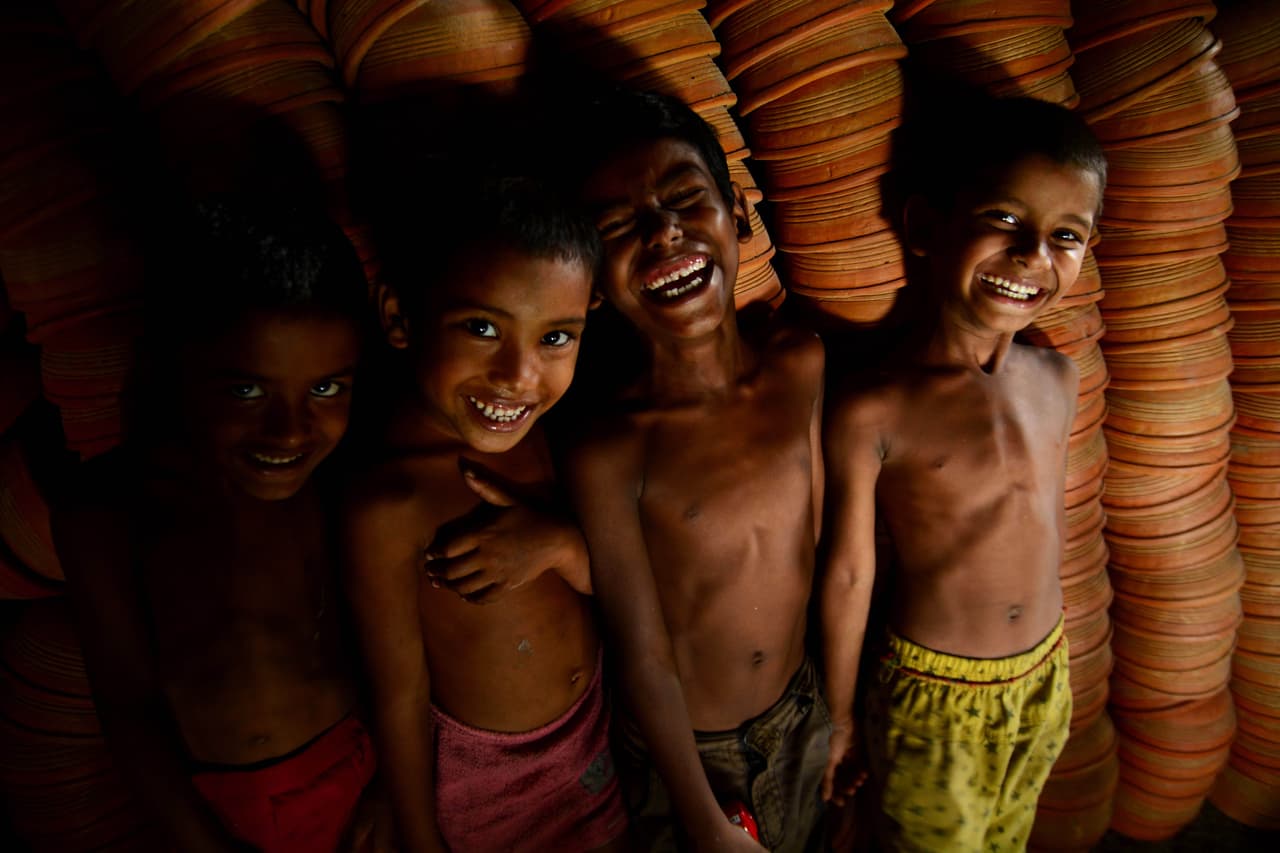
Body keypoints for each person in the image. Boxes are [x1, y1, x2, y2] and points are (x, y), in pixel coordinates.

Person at [819, 95, 1108, 852]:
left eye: (1065, 236)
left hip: (1046, 674)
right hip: (934, 696)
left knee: (1007, 837)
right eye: (1006, 220)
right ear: (924, 227)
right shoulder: (875, 406)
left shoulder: (1058, 376)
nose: (1032, 256)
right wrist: (841, 713)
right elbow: (851, 572)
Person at [52, 196, 377, 852]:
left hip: (379, 782)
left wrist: (399, 788)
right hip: (241, 821)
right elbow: (130, 707)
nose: (289, 431)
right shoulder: (112, 510)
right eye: (246, 390)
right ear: (175, 366)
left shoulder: (345, 477)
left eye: (326, 389)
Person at [563, 88, 829, 853]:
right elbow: (643, 653)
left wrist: (833, 710)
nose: (664, 232)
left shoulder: (799, 362)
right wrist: (703, 818)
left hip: (799, 708)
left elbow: (816, 538)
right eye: (618, 227)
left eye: (686, 198)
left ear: (737, 211)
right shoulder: (611, 447)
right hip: (688, 754)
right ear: (589, 280)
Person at [342, 171, 628, 853]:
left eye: (556, 337)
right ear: (399, 317)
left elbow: (621, 588)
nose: (519, 377)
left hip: (593, 740)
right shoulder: (387, 503)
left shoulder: (552, 437)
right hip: (483, 783)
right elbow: (397, 692)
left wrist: (560, 546)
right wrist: (418, 834)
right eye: (481, 327)